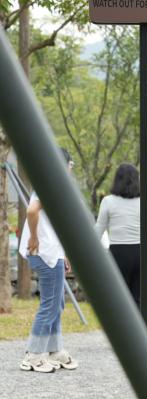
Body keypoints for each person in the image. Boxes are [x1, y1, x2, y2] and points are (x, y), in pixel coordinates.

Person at [17, 148, 80, 374]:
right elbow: (32, 211)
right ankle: (33, 355)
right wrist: (34, 237)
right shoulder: (48, 184)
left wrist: (65, 254)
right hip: (44, 253)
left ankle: (54, 350)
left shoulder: (53, 187)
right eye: (70, 165)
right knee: (50, 305)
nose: (71, 169)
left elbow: (53, 224)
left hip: (53, 253)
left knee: (56, 304)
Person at [94, 163, 147, 309]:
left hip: (118, 253)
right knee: (138, 299)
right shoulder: (146, 202)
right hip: (141, 253)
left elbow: (99, 229)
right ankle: (137, 329)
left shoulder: (108, 201)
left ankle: (120, 330)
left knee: (118, 298)